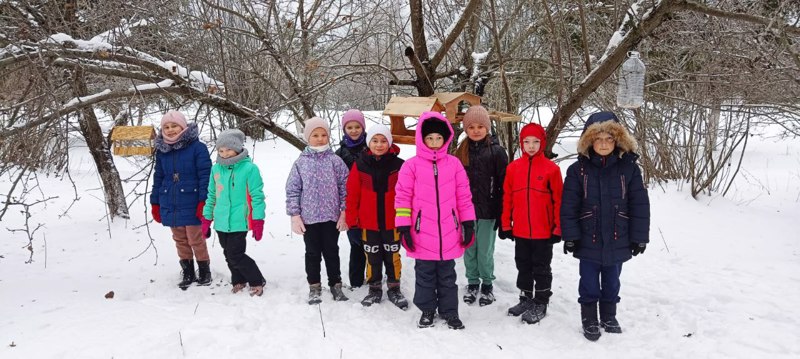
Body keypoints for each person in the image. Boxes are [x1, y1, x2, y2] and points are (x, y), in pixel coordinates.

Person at [560, 111, 650, 341]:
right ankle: (589, 317)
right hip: (588, 237)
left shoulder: (628, 169)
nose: (603, 144)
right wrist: (570, 235)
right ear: (589, 141)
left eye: (609, 139)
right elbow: (569, 205)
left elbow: (639, 203)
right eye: (598, 139)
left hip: (618, 235)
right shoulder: (577, 170)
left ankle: (609, 315)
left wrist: (640, 237)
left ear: (617, 140)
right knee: (589, 281)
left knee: (612, 280)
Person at [395, 111, 476, 329]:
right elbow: (402, 198)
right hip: (421, 233)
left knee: (448, 277)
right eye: (429, 138)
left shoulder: (454, 164)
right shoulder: (410, 166)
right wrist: (403, 227)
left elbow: (464, 196)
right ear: (422, 139)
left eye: (438, 138)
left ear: (446, 139)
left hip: (449, 233)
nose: (434, 142)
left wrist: (468, 223)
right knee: (425, 276)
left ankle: (450, 312)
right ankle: (427, 310)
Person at [499, 122, 563, 325]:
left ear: (542, 143)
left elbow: (559, 201)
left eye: (536, 142)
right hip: (521, 231)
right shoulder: (513, 168)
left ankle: (541, 302)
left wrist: (557, 227)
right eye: (527, 142)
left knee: (541, 267)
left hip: (544, 232)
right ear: (521, 143)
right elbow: (507, 197)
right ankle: (525, 298)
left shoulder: (551, 169)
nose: (531, 146)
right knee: (523, 265)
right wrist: (506, 224)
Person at [286, 117, 350, 304]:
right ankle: (314, 286)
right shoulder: (301, 163)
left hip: (331, 217)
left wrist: (344, 212)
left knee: (332, 251)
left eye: (324, 135)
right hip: (309, 218)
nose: (320, 139)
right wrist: (295, 215)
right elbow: (292, 189)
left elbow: (345, 188)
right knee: (312, 253)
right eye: (315, 135)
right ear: (308, 137)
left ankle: (336, 284)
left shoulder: (335, 161)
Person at [345, 124, 408, 309]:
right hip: (368, 223)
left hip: (392, 223)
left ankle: (394, 288)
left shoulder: (399, 165)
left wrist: (406, 221)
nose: (379, 144)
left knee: (392, 256)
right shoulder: (360, 164)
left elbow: (406, 194)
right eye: (375, 140)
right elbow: (352, 193)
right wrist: (352, 222)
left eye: (383, 141)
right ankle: (374, 288)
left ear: (389, 143)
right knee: (372, 257)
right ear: (368, 142)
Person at [150, 110, 212, 290]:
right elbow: (158, 177)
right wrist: (155, 202)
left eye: (174, 126)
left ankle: (204, 269)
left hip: (192, 202)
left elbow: (205, 176)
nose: (170, 130)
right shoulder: (162, 151)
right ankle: (188, 271)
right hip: (170, 202)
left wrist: (204, 202)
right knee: (180, 239)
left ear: (183, 127)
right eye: (166, 127)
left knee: (195, 239)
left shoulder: (197, 148)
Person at [201, 129, 266, 297]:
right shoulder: (216, 169)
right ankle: (238, 279)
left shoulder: (249, 169)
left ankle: (257, 280)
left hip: (239, 220)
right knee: (227, 254)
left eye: (228, 149)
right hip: (221, 221)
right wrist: (207, 218)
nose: (225, 153)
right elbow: (212, 195)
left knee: (235, 254)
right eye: (221, 150)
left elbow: (257, 197)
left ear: (237, 148)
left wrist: (258, 220)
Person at [454, 105, 508, 306]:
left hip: (488, 210)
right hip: (465, 211)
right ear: (466, 129)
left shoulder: (497, 152)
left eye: (480, 126)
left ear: (487, 127)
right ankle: (472, 282)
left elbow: (504, 184)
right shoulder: (461, 151)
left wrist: (502, 213)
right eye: (471, 127)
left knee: (484, 250)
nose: (476, 130)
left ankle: (487, 284)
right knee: (469, 248)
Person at [335, 109, 368, 288]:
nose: (354, 130)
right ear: (344, 129)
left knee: (371, 243)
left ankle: (374, 276)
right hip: (351, 204)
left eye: (357, 127)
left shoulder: (372, 147)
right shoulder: (339, 154)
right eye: (350, 127)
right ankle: (356, 280)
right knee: (356, 242)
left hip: (370, 202)